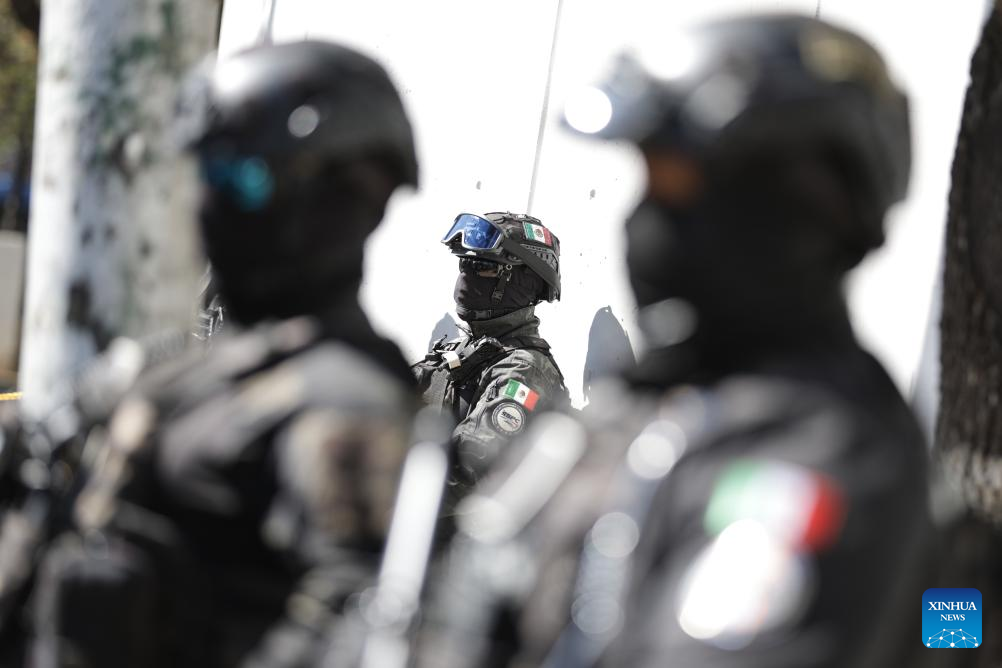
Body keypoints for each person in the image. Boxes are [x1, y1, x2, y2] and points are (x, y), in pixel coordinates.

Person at [418, 13, 930, 668]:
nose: (646, 219)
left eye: (677, 184)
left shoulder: (824, 452)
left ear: (801, 203)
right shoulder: (625, 417)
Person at [27, 40, 420, 668]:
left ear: (340, 196)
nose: (209, 201)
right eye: (208, 171)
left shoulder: (345, 402)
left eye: (243, 176)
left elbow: (360, 628)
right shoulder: (188, 368)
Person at [413, 211, 569, 501]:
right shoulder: (463, 350)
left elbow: (469, 467)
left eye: (482, 267)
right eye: (465, 264)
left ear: (523, 282)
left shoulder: (524, 369)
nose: (467, 276)